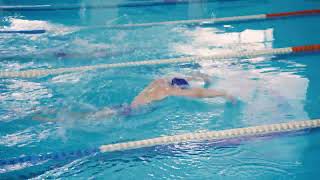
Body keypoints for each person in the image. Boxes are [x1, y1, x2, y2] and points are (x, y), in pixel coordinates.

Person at [33, 73, 235, 121]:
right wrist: (225, 93)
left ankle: (49, 112)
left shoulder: (161, 81)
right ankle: (50, 118)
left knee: (89, 112)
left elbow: (185, 79)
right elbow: (199, 93)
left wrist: (201, 77)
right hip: (129, 112)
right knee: (86, 118)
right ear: (179, 89)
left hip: (124, 105)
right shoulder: (171, 91)